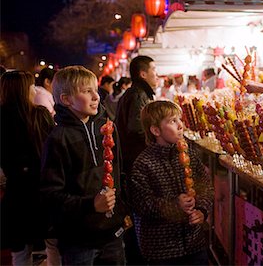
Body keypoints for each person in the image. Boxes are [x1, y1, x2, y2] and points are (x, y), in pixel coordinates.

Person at [40, 66, 128, 265]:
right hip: (78, 239)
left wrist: (123, 211)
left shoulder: (107, 129)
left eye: (95, 89)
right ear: (66, 99)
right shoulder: (58, 138)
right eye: (86, 91)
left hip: (112, 232)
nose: (96, 96)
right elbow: (51, 194)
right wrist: (91, 204)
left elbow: (120, 171)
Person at [128, 100, 214, 265]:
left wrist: (202, 210)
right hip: (162, 249)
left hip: (194, 242)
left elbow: (205, 186)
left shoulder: (189, 154)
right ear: (155, 130)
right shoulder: (143, 163)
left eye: (179, 119)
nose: (180, 125)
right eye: (172, 121)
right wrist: (175, 205)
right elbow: (141, 204)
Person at [0, 71, 55, 265]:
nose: (35, 90)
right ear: (24, 90)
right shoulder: (38, 115)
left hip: (16, 192)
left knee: (20, 252)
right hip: (41, 190)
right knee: (50, 247)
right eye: (31, 86)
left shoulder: (3, 118)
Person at [115, 55, 158, 265]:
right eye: (154, 71)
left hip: (133, 162)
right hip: (134, 163)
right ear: (143, 74)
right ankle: (138, 258)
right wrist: (157, 135)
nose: (157, 76)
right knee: (138, 214)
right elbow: (136, 128)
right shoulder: (138, 95)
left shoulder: (136, 93)